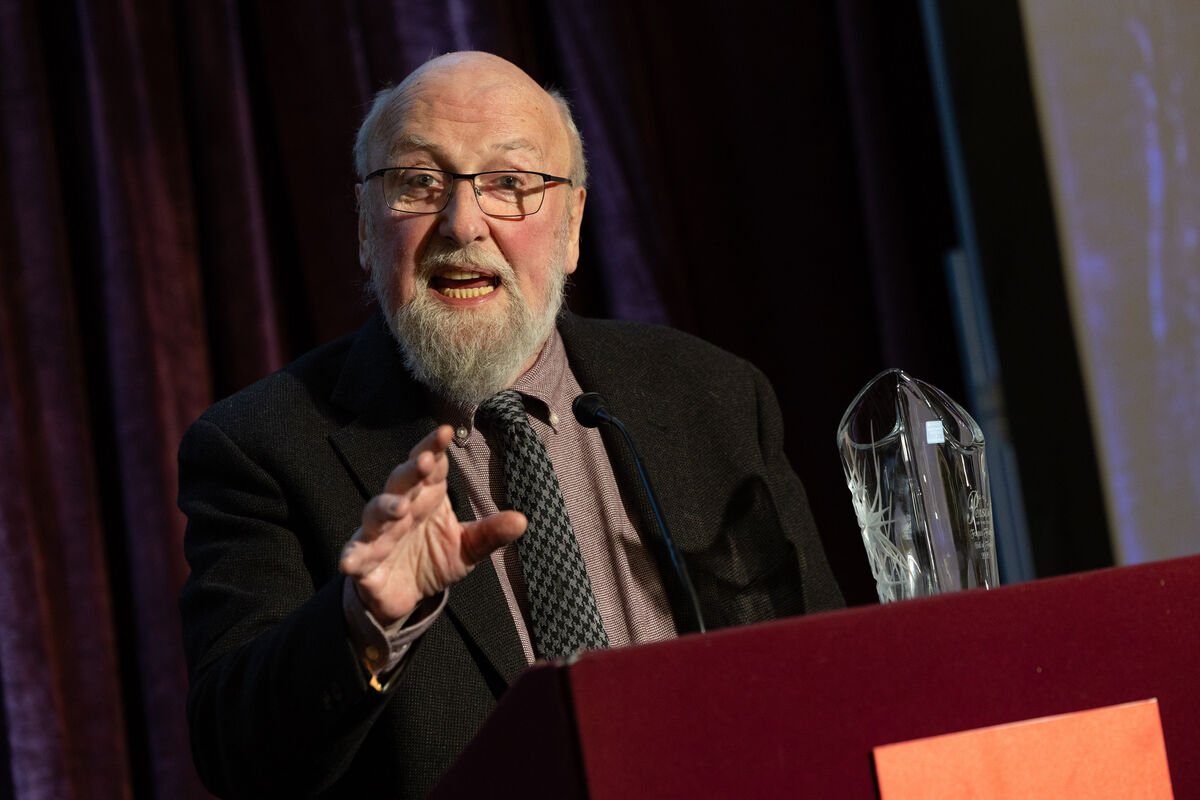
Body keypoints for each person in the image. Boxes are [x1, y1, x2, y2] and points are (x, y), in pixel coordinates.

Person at [178, 51, 843, 799]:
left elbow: (832, 677)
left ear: (571, 227)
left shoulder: (711, 396)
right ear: (366, 229)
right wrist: (362, 624)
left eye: (510, 184)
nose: (464, 224)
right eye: (419, 184)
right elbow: (237, 758)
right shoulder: (261, 446)